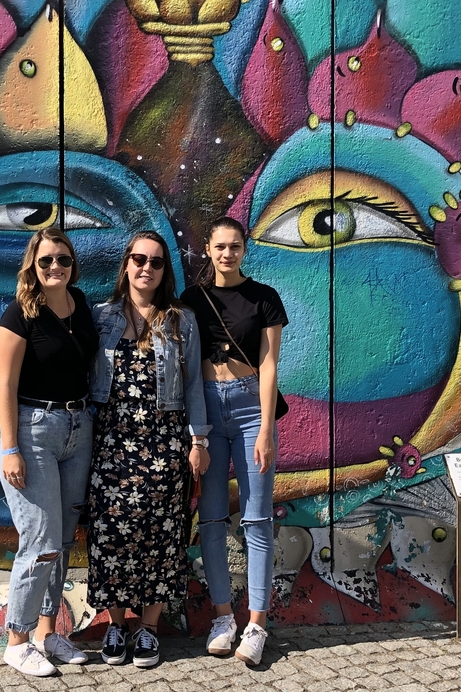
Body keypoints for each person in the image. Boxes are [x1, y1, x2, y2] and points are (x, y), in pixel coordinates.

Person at [87, 231, 210, 668]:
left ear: (164, 271)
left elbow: (194, 384)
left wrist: (199, 441)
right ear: (126, 264)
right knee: (111, 535)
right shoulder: (101, 317)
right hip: (111, 443)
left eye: (156, 262)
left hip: (165, 443)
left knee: (161, 536)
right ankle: (117, 624)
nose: (146, 267)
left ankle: (149, 629)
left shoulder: (181, 320)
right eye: (139, 258)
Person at [181, 216, 288, 667]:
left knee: (257, 520)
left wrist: (265, 428)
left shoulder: (264, 298)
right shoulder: (190, 300)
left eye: (235, 247)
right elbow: (186, 369)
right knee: (209, 521)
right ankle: (223, 617)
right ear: (208, 249)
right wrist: (194, 431)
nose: (227, 254)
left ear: (245, 249)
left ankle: (257, 624)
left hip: (248, 409)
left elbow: (268, 366)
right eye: (220, 246)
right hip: (206, 408)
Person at [0, 228, 99, 677]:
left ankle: (46, 632)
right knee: (37, 541)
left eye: (63, 260)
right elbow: (6, 387)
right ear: (32, 267)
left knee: (59, 541)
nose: (55, 267)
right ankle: (16, 640)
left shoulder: (81, 304)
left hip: (79, 429)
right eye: (46, 261)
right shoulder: (19, 314)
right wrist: (10, 447)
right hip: (35, 432)